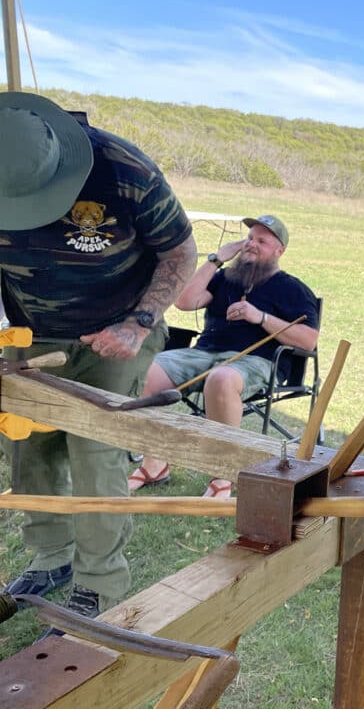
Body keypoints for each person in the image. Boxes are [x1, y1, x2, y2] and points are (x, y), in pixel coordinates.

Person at [0, 91, 197, 623]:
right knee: (29, 447)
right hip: (28, 333)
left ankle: (99, 584)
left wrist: (138, 325)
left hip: (118, 330)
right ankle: (50, 558)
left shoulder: (124, 171)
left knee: (96, 449)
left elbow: (180, 251)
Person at [129, 214, 320, 498]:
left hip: (257, 360)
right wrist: (216, 259)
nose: (252, 245)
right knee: (143, 370)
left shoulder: (292, 289)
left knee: (220, 379)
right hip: (204, 352)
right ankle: (155, 462)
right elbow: (184, 301)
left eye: (262, 241)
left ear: (279, 251)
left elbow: (308, 339)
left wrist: (261, 317)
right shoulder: (226, 278)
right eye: (250, 238)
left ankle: (223, 476)